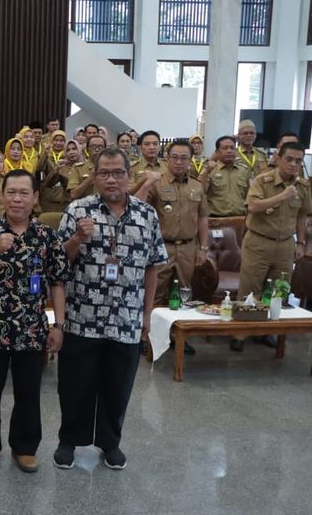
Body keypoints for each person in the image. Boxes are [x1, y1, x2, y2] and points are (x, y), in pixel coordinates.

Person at [54, 147, 166, 470]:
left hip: (126, 319)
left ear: (129, 176)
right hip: (82, 317)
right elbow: (59, 263)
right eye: (104, 173)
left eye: (118, 172)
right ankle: (68, 440)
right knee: (75, 384)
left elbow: (153, 268)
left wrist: (147, 315)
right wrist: (77, 238)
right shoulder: (77, 210)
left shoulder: (147, 215)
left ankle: (110, 442)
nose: (112, 179)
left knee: (118, 386)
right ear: (95, 176)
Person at [0, 170, 68, 473]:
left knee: (28, 394)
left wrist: (59, 326)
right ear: (2, 195)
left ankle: (24, 447)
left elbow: (58, 282)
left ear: (36, 198)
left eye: (24, 193)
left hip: (32, 330)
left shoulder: (46, 236)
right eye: (11, 192)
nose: (17, 199)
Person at [233, 142, 312, 352]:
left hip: (286, 244)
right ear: (278, 158)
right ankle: (240, 333)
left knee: (279, 290)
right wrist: (282, 196)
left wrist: (302, 243)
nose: (294, 164)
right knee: (250, 289)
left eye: (298, 160)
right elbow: (252, 207)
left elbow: (303, 216)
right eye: (289, 159)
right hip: (259, 241)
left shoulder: (303, 186)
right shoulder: (263, 180)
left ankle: (268, 332)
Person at [139, 140, 209, 355]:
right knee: (155, 294)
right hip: (161, 248)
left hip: (188, 247)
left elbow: (203, 218)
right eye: (174, 157)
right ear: (166, 158)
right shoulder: (157, 183)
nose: (179, 162)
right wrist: (147, 183)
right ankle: (148, 337)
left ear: (191, 160)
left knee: (182, 294)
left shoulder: (197, 186)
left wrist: (203, 247)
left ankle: (176, 336)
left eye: (184, 158)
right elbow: (138, 207)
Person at [201, 135, 249, 217]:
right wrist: (206, 172)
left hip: (240, 219)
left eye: (232, 148)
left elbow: (249, 197)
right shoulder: (210, 170)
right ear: (217, 152)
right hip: (216, 219)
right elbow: (201, 191)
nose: (229, 151)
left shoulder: (244, 171)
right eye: (225, 148)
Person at [38, 131, 70, 213]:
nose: (58, 143)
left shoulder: (68, 157)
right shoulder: (47, 155)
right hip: (49, 196)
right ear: (51, 141)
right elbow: (39, 169)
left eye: (61, 140)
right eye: (56, 140)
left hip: (64, 197)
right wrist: (45, 153)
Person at [129, 130, 166, 195]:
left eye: (155, 144)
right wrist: (142, 181)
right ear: (140, 148)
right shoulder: (132, 167)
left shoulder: (167, 165)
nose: (151, 147)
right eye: (147, 144)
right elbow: (128, 193)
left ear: (159, 147)